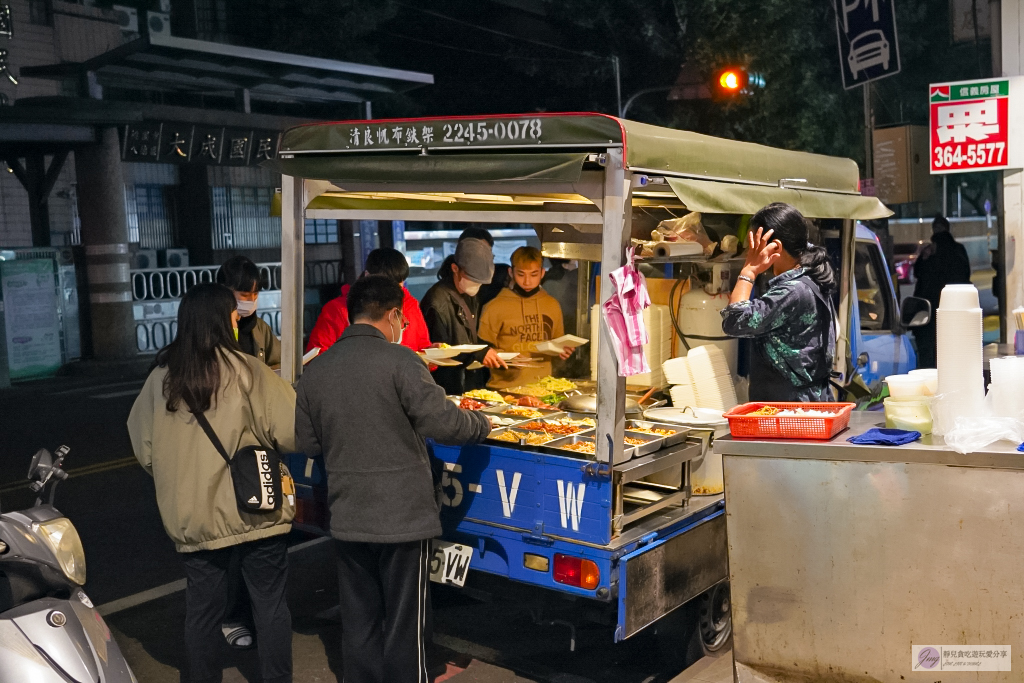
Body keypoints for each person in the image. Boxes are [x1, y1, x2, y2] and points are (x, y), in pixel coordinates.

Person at [295, 275, 491, 683]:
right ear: (395, 315)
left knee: (359, 617)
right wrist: (481, 423)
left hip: (349, 513)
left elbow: (307, 443)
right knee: (406, 622)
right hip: (402, 517)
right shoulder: (402, 362)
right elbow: (444, 424)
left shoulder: (316, 370)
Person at [127, 283, 296, 683]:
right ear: (223, 321)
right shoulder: (249, 371)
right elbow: (290, 432)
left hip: (195, 516)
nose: (240, 323)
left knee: (202, 612)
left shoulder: (160, 381)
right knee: (270, 604)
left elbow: (145, 450)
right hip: (256, 507)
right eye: (236, 318)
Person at [721, 203, 838, 402]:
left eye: (754, 246)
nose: (750, 251)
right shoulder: (811, 276)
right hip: (806, 404)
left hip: (790, 411)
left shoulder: (792, 291)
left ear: (775, 247)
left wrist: (748, 271)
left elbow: (735, 321)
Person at [420, 237, 508, 394]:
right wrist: (478, 353)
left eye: (480, 282)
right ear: (455, 269)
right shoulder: (436, 301)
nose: (476, 286)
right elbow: (440, 351)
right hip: (446, 387)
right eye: (472, 279)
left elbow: (469, 337)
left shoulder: (469, 294)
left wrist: (487, 348)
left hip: (469, 382)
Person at [478, 246, 574, 388]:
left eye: (533, 274)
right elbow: (480, 350)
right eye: (521, 274)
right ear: (511, 272)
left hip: (543, 388)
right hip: (504, 389)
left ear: (542, 273)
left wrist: (563, 352)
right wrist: (505, 356)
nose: (527, 281)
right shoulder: (494, 306)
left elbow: (557, 344)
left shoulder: (552, 305)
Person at [306, 247, 431, 354]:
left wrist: (431, 351)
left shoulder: (410, 305)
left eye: (399, 284)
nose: (393, 292)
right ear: (367, 276)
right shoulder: (338, 310)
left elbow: (422, 346)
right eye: (386, 285)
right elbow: (317, 358)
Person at [912, 214, 972, 368]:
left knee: (928, 355)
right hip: (954, 308)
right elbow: (965, 274)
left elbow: (917, 273)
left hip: (929, 311)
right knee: (952, 352)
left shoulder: (929, 251)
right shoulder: (958, 250)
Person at [217, 255, 281, 367]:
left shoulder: (260, 328)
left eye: (255, 294)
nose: (252, 300)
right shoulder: (210, 328)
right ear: (224, 292)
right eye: (244, 295)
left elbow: (278, 362)